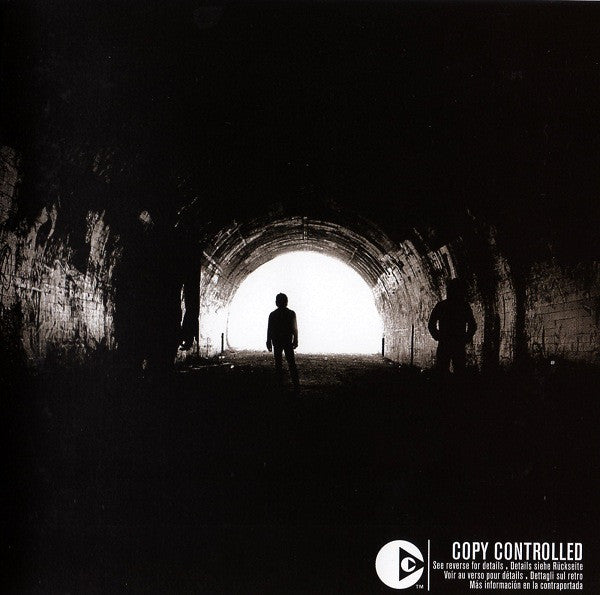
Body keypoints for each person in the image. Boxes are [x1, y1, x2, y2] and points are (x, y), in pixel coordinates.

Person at [428, 279, 477, 375]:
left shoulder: (442, 306)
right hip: (458, 344)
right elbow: (472, 325)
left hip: (445, 343)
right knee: (459, 371)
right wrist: (466, 338)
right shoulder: (464, 306)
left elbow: (431, 324)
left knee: (442, 371)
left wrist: (438, 336)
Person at [266, 293, 299, 387]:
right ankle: (296, 384)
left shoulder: (273, 315)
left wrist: (268, 341)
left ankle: (280, 384)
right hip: (287, 340)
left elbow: (270, 329)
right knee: (291, 363)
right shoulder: (291, 313)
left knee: (278, 363)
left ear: (276, 302)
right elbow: (295, 328)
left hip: (277, 341)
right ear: (286, 302)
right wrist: (296, 339)